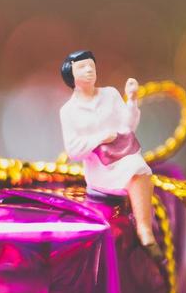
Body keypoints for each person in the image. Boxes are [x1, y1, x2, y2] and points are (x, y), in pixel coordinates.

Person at [58, 49, 159, 246]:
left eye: (91, 66)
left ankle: (145, 229)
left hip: (123, 155)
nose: (89, 70)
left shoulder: (110, 94)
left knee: (138, 167)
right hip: (100, 169)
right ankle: (145, 225)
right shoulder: (68, 111)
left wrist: (132, 99)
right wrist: (99, 139)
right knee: (137, 170)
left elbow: (128, 125)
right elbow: (73, 150)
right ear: (71, 75)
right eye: (82, 67)